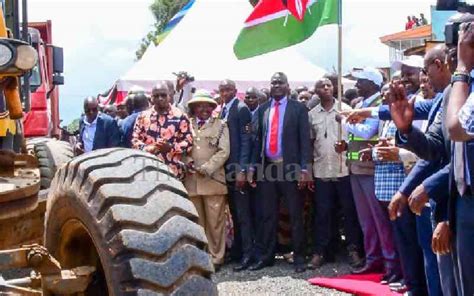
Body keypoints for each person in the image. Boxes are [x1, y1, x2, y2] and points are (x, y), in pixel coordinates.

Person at [335, 67, 399, 276]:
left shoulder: (379, 105)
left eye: (361, 81)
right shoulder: (361, 105)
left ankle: (390, 262)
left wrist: (344, 120)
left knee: (380, 220)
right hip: (356, 168)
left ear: (372, 83)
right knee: (366, 221)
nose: (356, 85)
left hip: (372, 170)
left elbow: (368, 131)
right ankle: (373, 259)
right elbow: (357, 136)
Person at [249, 72, 311, 273]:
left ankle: (299, 257)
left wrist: (305, 169)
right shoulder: (263, 109)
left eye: (280, 83)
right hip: (268, 168)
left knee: (295, 214)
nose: (276, 86)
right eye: (273, 82)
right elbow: (257, 140)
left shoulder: (299, 109)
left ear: (287, 86)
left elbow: (305, 141)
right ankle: (266, 257)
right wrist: (252, 167)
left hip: (290, 167)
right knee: (268, 215)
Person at [308, 78, 364, 269]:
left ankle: (353, 249)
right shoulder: (312, 115)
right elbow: (310, 142)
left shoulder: (346, 109)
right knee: (323, 213)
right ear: (316, 91)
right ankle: (322, 251)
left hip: (344, 170)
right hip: (322, 170)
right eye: (321, 86)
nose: (325, 88)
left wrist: (347, 145)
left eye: (328, 85)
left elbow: (358, 137)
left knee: (349, 213)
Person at [184, 90, 230, 269]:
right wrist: (187, 161)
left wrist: (208, 167)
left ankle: (216, 258)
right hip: (192, 181)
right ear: (194, 108)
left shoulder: (221, 125)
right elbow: (182, 147)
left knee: (215, 223)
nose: (203, 109)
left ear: (212, 107)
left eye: (207, 105)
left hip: (213, 180)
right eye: (199, 105)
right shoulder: (187, 125)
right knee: (196, 222)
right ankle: (201, 257)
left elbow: (224, 151)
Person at [217, 79, 253, 271]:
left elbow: (247, 141)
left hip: (237, 170)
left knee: (244, 215)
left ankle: (248, 254)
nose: (225, 93)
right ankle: (238, 251)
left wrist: (242, 171)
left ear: (235, 91)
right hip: (226, 170)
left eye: (228, 89)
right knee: (235, 215)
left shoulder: (241, 109)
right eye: (222, 90)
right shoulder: (223, 109)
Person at [131, 82, 193, 179]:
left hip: (173, 173)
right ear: (151, 98)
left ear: (169, 96)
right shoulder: (143, 116)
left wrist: (171, 147)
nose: (160, 98)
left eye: (163, 95)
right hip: (148, 172)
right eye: (156, 96)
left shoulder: (180, 116)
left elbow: (188, 142)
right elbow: (134, 140)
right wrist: (148, 148)